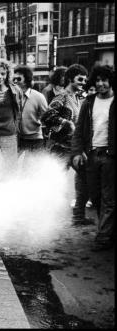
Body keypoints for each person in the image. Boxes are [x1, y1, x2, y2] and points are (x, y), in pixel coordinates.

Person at [71, 65, 114, 250]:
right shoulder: (89, 102)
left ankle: (103, 237)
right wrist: (76, 152)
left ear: (111, 81)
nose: (101, 84)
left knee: (109, 198)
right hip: (92, 155)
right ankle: (107, 232)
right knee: (95, 197)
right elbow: (79, 131)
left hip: (111, 156)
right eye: (97, 80)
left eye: (104, 80)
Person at [42, 64, 91, 225]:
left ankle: (78, 216)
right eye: (80, 79)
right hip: (59, 148)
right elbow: (46, 117)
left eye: (85, 80)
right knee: (53, 183)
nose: (83, 82)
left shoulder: (79, 97)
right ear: (70, 79)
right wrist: (67, 123)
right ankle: (45, 217)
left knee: (85, 181)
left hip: (75, 148)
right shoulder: (61, 97)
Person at [13, 65, 48, 152]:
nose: (15, 81)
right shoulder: (12, 96)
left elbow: (47, 118)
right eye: (14, 79)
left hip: (35, 140)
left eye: (19, 79)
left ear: (26, 80)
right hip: (17, 139)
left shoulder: (38, 97)